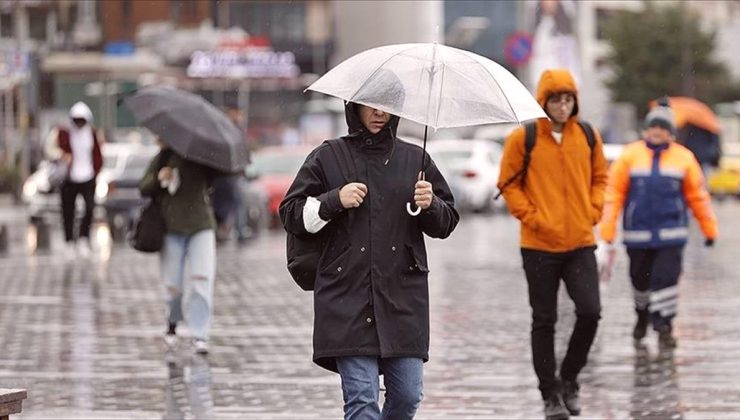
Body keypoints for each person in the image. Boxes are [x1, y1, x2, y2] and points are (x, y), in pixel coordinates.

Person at [279, 97, 459, 419]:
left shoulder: (415, 158)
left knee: (407, 396)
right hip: (346, 298)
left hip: (403, 299)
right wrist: (333, 200)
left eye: (387, 105)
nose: (379, 113)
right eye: (371, 104)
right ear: (354, 107)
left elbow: (446, 224)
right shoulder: (328, 156)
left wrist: (431, 203)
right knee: (362, 400)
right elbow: (291, 214)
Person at [497, 69, 608, 420]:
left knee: (590, 311)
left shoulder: (588, 135)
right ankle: (549, 394)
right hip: (539, 246)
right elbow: (508, 184)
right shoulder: (524, 138)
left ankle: (570, 378)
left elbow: (601, 177)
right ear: (543, 102)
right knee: (544, 320)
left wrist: (592, 209)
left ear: (575, 101)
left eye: (568, 99)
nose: (562, 106)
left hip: (579, 242)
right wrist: (533, 217)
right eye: (555, 99)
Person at [599, 103, 718, 350]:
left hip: (671, 235)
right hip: (637, 235)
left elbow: (698, 196)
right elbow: (614, 194)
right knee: (639, 281)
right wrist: (607, 229)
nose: (656, 132)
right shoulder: (630, 156)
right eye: (652, 127)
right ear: (645, 130)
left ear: (671, 133)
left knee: (667, 279)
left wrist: (709, 229)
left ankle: (664, 326)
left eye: (662, 128)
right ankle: (642, 314)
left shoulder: (684, 158)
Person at [139, 142, 218, 355]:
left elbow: (218, 180)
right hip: (171, 227)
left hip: (201, 225)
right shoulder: (163, 157)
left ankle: (200, 334)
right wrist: (159, 178)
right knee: (173, 284)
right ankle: (172, 324)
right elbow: (143, 186)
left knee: (202, 280)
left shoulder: (204, 156)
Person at [44, 101, 104, 258]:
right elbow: (49, 149)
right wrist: (62, 156)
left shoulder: (93, 134)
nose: (79, 124)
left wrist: (96, 171)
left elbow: (98, 155)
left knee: (90, 208)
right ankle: (69, 241)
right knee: (68, 211)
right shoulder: (62, 133)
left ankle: (84, 239)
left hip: (88, 177)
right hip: (69, 178)